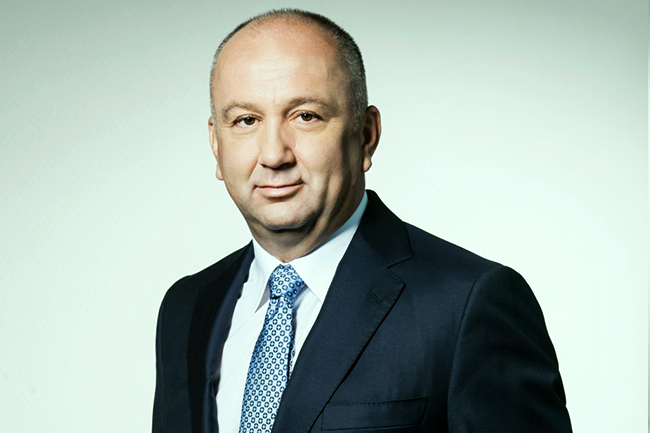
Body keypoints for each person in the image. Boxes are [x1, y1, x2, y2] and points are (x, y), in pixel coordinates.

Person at [152, 9, 572, 433]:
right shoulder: (186, 308)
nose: (274, 155)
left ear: (366, 134)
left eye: (306, 116)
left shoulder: (468, 304)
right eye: (246, 120)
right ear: (216, 143)